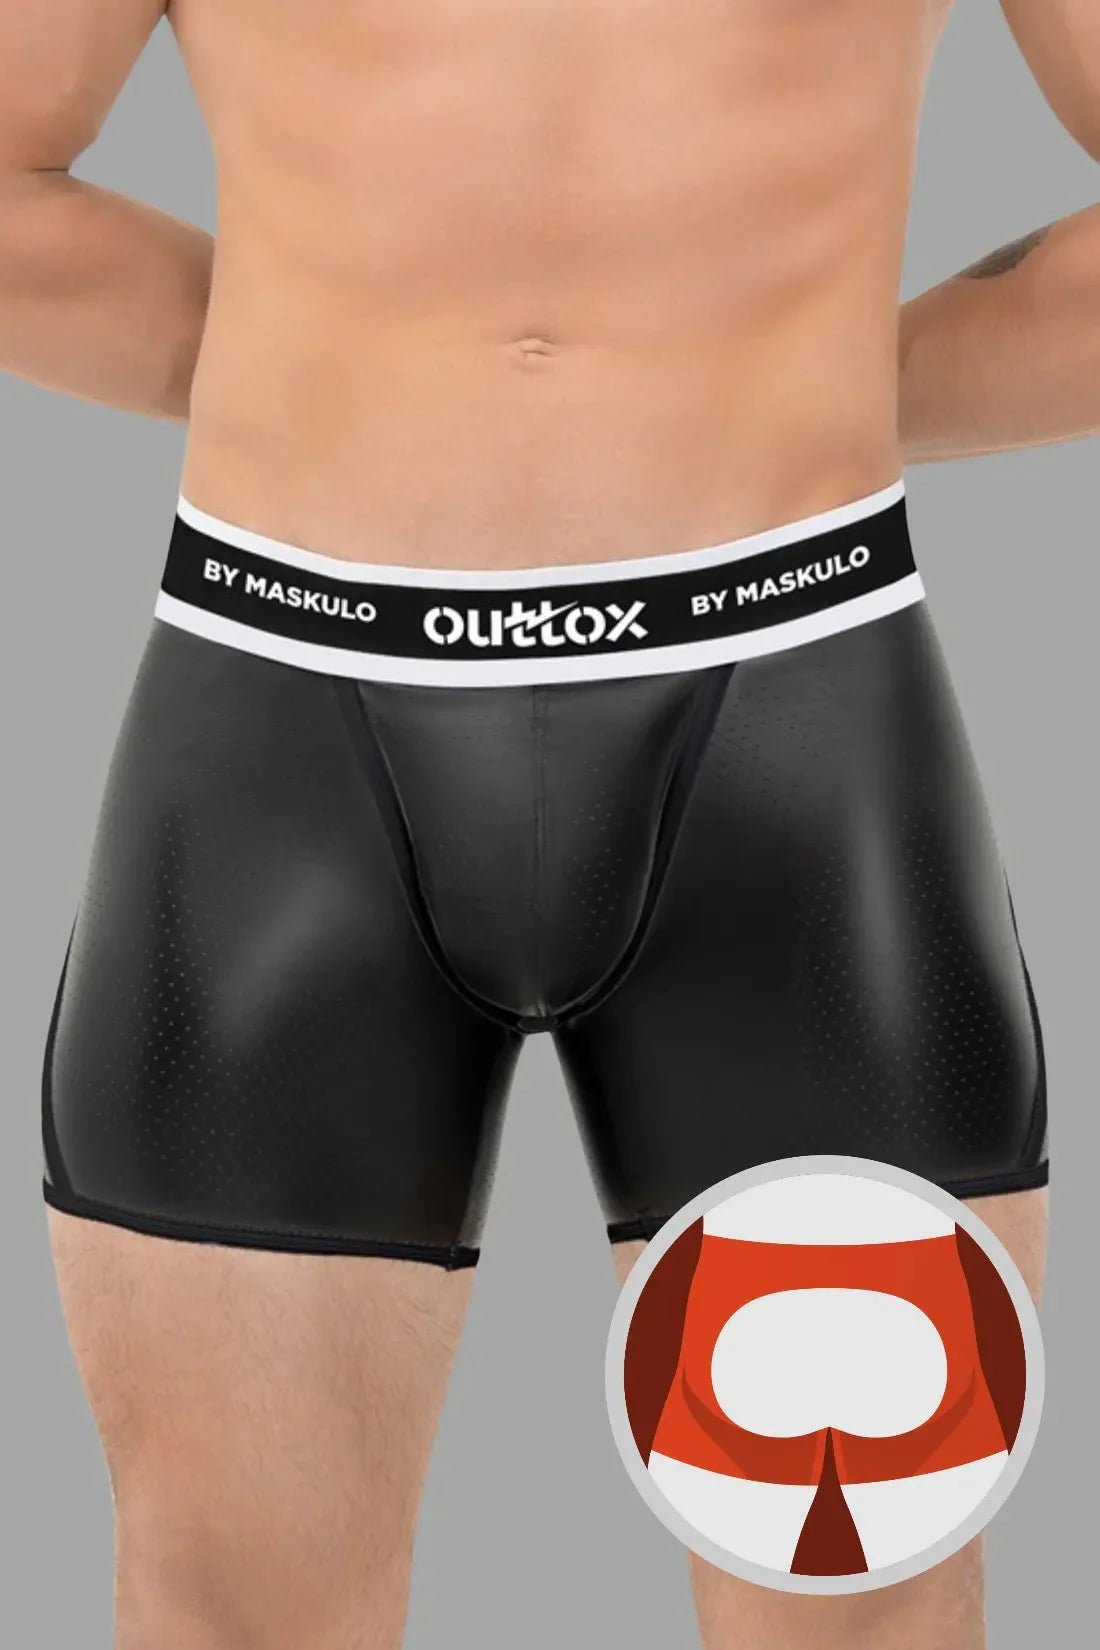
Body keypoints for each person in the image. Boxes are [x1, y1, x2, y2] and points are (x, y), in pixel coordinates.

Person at [1, 1, 1093, 1646]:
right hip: (285, 724)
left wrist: (816, 377)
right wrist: (309, 351)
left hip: (791, 719)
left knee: (862, 1585)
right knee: (230, 1604)